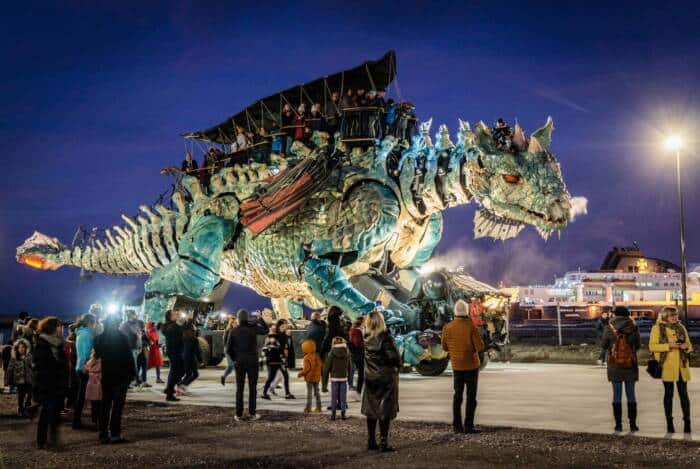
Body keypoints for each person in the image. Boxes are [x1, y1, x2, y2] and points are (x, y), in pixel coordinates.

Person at [441, 299, 485, 434]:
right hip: (471, 366)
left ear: (455, 312)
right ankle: (469, 426)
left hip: (456, 366)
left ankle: (457, 426)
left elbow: (444, 347)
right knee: (471, 397)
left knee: (457, 396)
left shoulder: (447, 327)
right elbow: (480, 347)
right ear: (466, 311)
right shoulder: (471, 326)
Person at [649, 307, 693, 434]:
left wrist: (686, 347)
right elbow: (652, 346)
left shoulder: (681, 327)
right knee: (669, 395)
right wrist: (669, 345)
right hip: (667, 367)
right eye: (671, 315)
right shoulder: (657, 328)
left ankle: (687, 423)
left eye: (675, 315)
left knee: (684, 395)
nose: (674, 317)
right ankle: (669, 423)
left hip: (682, 366)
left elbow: (689, 345)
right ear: (665, 316)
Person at [362, 310, 401, 452]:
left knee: (371, 409)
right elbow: (394, 358)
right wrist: (397, 365)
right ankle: (383, 442)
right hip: (385, 378)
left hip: (370, 377)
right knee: (385, 409)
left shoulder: (366, 338)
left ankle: (371, 441)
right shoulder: (385, 338)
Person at [94, 314, 135, 444]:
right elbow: (129, 356)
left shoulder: (99, 338)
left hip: (107, 375)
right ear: (117, 324)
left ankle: (103, 434)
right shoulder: (122, 337)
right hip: (121, 376)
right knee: (117, 406)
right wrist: (132, 374)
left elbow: (98, 353)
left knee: (105, 405)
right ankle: (115, 434)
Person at [601, 306, 641, 432]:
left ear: (615, 314)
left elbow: (603, 345)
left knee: (616, 395)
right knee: (631, 395)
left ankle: (618, 425)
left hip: (614, 365)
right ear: (627, 314)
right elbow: (637, 346)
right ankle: (633, 424)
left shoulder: (609, 327)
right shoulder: (633, 327)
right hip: (630, 365)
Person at [32, 317, 68, 449]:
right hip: (47, 384)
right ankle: (41, 441)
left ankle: (53, 439)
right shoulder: (42, 343)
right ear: (53, 327)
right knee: (46, 412)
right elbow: (40, 366)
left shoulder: (59, 343)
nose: (61, 328)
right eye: (59, 326)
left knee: (56, 412)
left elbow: (63, 364)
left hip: (58, 384)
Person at [227, 309, 269, 420]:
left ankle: (239, 414)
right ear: (247, 318)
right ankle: (252, 413)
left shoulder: (234, 331)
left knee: (239, 389)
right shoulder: (253, 328)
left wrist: (235, 359)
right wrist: (260, 318)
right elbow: (266, 330)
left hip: (239, 362)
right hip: (252, 361)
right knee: (252, 388)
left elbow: (228, 349)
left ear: (238, 318)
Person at [73, 313, 97, 429]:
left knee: (81, 396)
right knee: (86, 395)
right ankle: (77, 421)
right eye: (95, 323)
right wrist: (85, 367)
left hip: (80, 366)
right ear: (90, 323)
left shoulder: (80, 333)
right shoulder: (87, 335)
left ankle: (77, 420)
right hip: (85, 368)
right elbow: (86, 353)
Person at [323, 336, 352, 420]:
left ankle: (333, 415)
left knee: (334, 397)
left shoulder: (331, 353)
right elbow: (350, 368)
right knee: (343, 397)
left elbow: (326, 368)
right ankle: (343, 414)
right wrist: (350, 380)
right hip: (344, 378)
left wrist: (324, 384)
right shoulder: (347, 352)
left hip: (334, 378)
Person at [321, 306, 347, 391]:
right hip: (336, 347)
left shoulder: (329, 320)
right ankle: (334, 387)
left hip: (328, 347)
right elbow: (339, 333)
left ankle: (324, 386)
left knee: (326, 368)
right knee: (334, 369)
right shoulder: (337, 321)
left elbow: (329, 335)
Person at [162, 310, 185, 402]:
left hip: (175, 351)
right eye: (175, 314)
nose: (177, 315)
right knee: (177, 371)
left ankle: (169, 389)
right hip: (175, 351)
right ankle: (169, 392)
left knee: (176, 371)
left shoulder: (171, 325)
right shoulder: (172, 326)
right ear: (170, 317)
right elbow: (180, 336)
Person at [7, 338, 32, 417]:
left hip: (29, 379)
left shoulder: (29, 356)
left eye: (23, 347)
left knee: (30, 394)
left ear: (26, 348)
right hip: (19, 380)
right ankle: (20, 408)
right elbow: (10, 369)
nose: (21, 349)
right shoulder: (14, 358)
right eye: (20, 347)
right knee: (21, 395)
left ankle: (27, 407)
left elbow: (33, 366)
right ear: (17, 349)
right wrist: (8, 380)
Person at [298, 339, 322, 413]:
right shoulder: (317, 356)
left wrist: (300, 374)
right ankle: (319, 407)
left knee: (309, 393)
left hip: (309, 378)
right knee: (317, 392)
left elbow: (307, 369)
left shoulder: (306, 358)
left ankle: (308, 407)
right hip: (317, 377)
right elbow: (321, 365)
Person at [119, 310, 142, 385]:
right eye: (134, 314)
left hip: (137, 347)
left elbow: (139, 335)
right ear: (130, 315)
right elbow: (123, 335)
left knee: (136, 364)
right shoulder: (125, 325)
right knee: (133, 364)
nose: (135, 315)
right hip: (130, 347)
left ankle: (135, 379)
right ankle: (134, 379)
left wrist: (140, 346)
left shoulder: (137, 324)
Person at [178, 321, 201, 395]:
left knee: (188, 374)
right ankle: (182, 386)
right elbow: (197, 351)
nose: (195, 327)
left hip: (183, 357)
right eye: (193, 326)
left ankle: (181, 386)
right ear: (191, 328)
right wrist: (200, 360)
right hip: (191, 358)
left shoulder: (183, 337)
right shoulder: (194, 339)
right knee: (195, 374)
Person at [83, 350, 102, 423]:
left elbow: (85, 370)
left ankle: (94, 421)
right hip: (98, 384)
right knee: (99, 404)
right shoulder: (102, 361)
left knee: (93, 404)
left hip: (91, 384)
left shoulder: (90, 361)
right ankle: (99, 420)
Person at [348, 317, 365, 395]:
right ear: (361, 322)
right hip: (358, 354)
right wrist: (365, 343)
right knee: (361, 373)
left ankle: (355, 388)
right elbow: (357, 343)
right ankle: (358, 391)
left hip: (355, 354)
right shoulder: (357, 331)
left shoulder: (352, 330)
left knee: (354, 371)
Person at [221, 317, 237, 386]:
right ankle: (238, 380)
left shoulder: (237, 330)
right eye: (234, 323)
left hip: (234, 351)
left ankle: (223, 377)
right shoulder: (228, 330)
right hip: (228, 350)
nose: (235, 324)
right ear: (231, 323)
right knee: (233, 365)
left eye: (236, 322)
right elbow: (224, 340)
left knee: (230, 367)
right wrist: (226, 348)